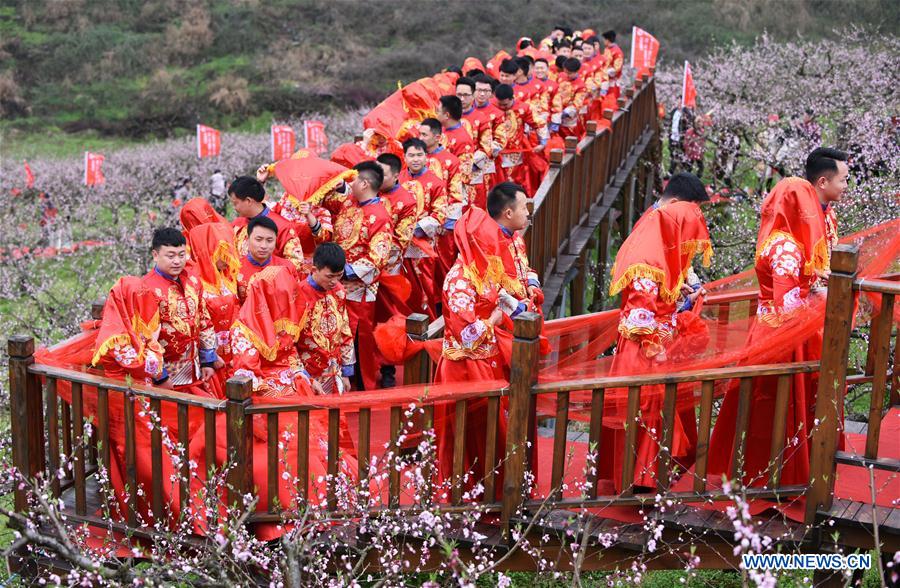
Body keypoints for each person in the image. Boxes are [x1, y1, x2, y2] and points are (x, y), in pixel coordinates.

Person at [708, 148, 849, 488]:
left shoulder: (802, 237)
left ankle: (800, 467)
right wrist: (819, 294)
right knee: (775, 406)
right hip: (782, 335)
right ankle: (772, 477)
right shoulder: (784, 247)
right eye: (843, 180)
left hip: (798, 332)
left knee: (799, 402)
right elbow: (788, 304)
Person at [603, 173, 712, 493]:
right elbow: (640, 311)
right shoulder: (651, 238)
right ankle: (642, 484)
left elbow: (667, 284)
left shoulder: (661, 226)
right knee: (646, 413)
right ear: (678, 206)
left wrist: (683, 293)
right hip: (644, 345)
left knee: (659, 415)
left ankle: (651, 479)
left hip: (658, 337)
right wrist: (656, 344)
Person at [434, 181, 544, 496]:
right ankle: (472, 493)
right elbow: (466, 334)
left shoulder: (485, 271)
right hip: (465, 365)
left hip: (489, 357)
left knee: (496, 429)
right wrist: (495, 318)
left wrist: (516, 303)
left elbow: (506, 292)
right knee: (473, 433)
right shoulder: (459, 280)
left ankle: (499, 489)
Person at [334, 161, 393, 390]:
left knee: (360, 337)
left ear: (365, 183)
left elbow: (377, 257)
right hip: (337, 282)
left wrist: (345, 271)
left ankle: (362, 386)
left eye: (354, 179)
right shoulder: (350, 203)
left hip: (358, 287)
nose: (351, 184)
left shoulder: (380, 216)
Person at [139, 228, 220, 395]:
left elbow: (204, 320)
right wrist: (159, 376)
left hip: (196, 369)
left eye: (181, 255)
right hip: (166, 375)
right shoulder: (146, 288)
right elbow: (144, 338)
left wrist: (207, 362)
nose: (177, 261)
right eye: (170, 256)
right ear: (155, 255)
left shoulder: (193, 281)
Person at [375, 153, 418, 387]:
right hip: (363, 272)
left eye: (382, 174)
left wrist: (374, 258)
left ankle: (387, 366)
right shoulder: (369, 194)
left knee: (387, 316)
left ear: (395, 175)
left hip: (387, 270)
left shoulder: (407, 201)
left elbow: (401, 240)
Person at [184, 222, 241, 399]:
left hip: (233, 352)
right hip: (209, 356)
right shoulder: (193, 283)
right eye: (221, 253)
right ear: (207, 252)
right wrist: (209, 355)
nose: (228, 258)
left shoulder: (228, 277)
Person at [398, 138, 448, 319]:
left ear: (426, 157)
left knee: (424, 288)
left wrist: (418, 228)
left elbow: (440, 213)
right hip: (400, 245)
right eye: (411, 155)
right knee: (402, 287)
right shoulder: (398, 178)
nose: (416, 159)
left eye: (419, 155)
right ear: (404, 157)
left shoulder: (436, 182)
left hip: (422, 244)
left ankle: (428, 326)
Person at [297, 243, 356, 395]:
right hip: (308, 373)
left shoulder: (339, 292)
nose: (335, 281)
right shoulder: (298, 295)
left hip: (334, 371)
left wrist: (347, 372)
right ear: (315, 270)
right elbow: (289, 343)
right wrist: (304, 377)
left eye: (339, 275)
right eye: (330, 276)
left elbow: (345, 331)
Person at [229, 176, 305, 274]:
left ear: (248, 201)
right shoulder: (237, 224)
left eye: (235, 203)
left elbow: (296, 264)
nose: (234, 208)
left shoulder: (283, 227)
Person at [493, 83, 550, 197]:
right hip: (494, 154)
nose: (502, 107)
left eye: (505, 104)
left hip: (515, 153)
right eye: (500, 104)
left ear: (511, 98)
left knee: (515, 183)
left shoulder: (523, 108)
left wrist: (542, 143)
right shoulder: (492, 107)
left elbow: (538, 123)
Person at [236, 216, 299, 304]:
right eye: (258, 240)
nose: (264, 246)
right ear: (248, 239)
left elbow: (295, 301)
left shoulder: (287, 267)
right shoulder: (235, 268)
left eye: (269, 240)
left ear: (275, 241)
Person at [458, 76, 495, 209]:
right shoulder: (448, 117)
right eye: (459, 95)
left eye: (466, 95)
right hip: (452, 174)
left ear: (473, 95)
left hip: (474, 171)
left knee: (475, 208)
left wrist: (470, 163)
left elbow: (486, 147)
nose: (462, 99)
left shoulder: (482, 119)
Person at [549, 58, 588, 140]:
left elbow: (577, 104)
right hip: (556, 111)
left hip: (568, 118)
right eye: (565, 71)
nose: (566, 74)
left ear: (577, 71)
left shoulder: (581, 86)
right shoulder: (560, 76)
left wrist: (564, 113)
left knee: (569, 139)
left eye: (569, 73)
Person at [601, 30, 624, 101]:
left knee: (611, 101)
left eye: (604, 39)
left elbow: (617, 68)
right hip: (604, 78)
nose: (603, 41)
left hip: (612, 81)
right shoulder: (607, 49)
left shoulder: (617, 52)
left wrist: (605, 72)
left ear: (607, 40)